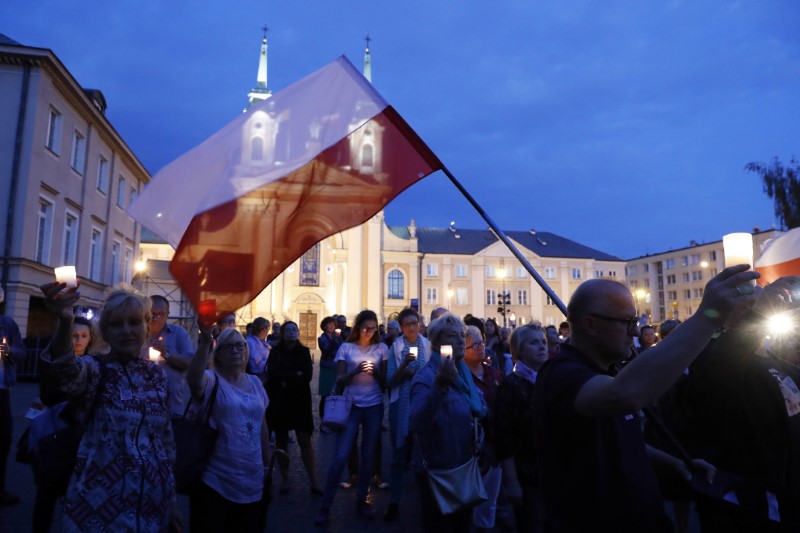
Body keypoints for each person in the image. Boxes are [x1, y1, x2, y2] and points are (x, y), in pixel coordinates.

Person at [533, 266, 760, 532]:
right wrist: (707, 318)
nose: (635, 333)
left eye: (636, 322)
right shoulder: (561, 373)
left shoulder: (607, 371)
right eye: (627, 323)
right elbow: (625, 395)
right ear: (590, 324)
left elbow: (620, 437)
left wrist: (676, 464)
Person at [39, 281, 179, 531]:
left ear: (147, 327)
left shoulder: (156, 377)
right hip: (95, 509)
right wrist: (64, 322)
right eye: (116, 324)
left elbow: (164, 443)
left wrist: (172, 503)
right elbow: (64, 374)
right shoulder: (95, 369)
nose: (126, 330)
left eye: (134, 322)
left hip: (150, 508)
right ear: (106, 331)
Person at [678, 277, 800, 532]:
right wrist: (759, 308)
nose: (755, 309)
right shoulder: (711, 360)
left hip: (787, 496)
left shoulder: (777, 363)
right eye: (745, 305)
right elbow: (727, 357)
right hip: (748, 503)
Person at [186, 326, 271, 532]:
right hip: (216, 478)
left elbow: (262, 426)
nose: (235, 351)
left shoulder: (255, 383)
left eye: (240, 346)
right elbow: (193, 379)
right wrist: (205, 342)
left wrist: (267, 466)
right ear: (219, 354)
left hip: (253, 477)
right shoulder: (211, 380)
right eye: (228, 347)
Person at [410, 312, 488, 532]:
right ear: (438, 343)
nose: (460, 341)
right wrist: (440, 386)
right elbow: (417, 423)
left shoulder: (462, 372)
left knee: (463, 525)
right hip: (438, 471)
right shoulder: (426, 377)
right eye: (453, 336)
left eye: (461, 336)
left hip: (463, 465)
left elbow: (474, 410)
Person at [315, 310, 387, 526]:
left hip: (374, 407)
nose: (369, 331)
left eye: (373, 328)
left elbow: (385, 383)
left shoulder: (382, 348)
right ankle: (325, 506)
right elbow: (340, 382)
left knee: (368, 457)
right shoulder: (346, 348)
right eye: (365, 327)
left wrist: (375, 372)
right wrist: (355, 370)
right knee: (340, 457)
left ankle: (361, 502)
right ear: (357, 327)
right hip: (351, 406)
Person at [31, 315, 96, 532]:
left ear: (90, 339)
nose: (78, 340)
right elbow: (46, 396)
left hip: (80, 444)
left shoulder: (94, 367)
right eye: (73, 335)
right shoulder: (52, 363)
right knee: (46, 498)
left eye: (83, 336)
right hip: (54, 438)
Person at [495, 323, 549, 533]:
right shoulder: (510, 386)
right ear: (518, 350)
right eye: (534, 343)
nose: (542, 347)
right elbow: (504, 439)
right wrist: (512, 481)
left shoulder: (549, 381)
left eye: (543, 342)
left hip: (552, 474)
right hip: (527, 477)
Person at [384, 308, 431, 522]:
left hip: (424, 403)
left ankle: (427, 501)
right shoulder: (396, 347)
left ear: (420, 323)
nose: (412, 327)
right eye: (407, 324)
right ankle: (395, 500)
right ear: (401, 327)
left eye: (415, 323)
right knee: (398, 454)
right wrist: (404, 367)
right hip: (400, 404)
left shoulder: (428, 346)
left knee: (425, 453)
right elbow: (390, 382)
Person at [266, 321, 322, 495]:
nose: (292, 332)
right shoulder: (275, 352)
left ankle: (313, 480)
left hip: (300, 400)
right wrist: (294, 375)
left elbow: (306, 375)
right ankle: (285, 480)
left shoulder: (304, 351)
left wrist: (286, 377)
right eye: (288, 330)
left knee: (304, 440)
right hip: (280, 400)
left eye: (294, 329)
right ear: (282, 333)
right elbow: (272, 373)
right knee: (281, 442)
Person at [464, 325, 503, 532]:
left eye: (482, 343)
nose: (481, 348)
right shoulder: (460, 376)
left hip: (494, 446)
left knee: (490, 503)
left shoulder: (493, 373)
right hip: (471, 452)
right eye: (475, 345)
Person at [147, 295, 196, 415]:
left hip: (172, 409)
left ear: (167, 314)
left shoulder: (178, 334)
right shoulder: (138, 335)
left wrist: (167, 354)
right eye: (151, 313)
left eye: (160, 314)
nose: (155, 318)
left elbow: (189, 363)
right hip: (144, 407)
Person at [0, 285, 25, 506]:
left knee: (4, 437)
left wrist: (9, 352)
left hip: (2, 390)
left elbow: (21, 352)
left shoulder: (7, 324)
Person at [317, 316, 343, 432]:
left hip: (336, 367)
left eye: (333, 324)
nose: (332, 326)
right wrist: (334, 340)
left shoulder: (338, 338)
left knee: (335, 394)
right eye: (329, 324)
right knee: (326, 395)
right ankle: (323, 422)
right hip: (327, 368)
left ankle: (333, 420)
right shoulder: (322, 338)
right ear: (324, 326)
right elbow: (326, 351)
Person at [246, 317, 271, 385]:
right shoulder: (250, 343)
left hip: (265, 378)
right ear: (263, 329)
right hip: (257, 380)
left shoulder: (263, 343)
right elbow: (254, 366)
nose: (268, 331)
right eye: (268, 328)